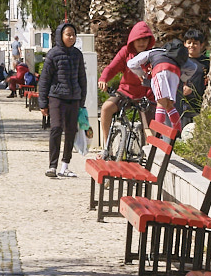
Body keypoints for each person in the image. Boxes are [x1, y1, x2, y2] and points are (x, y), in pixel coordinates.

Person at [37, 22, 88, 177]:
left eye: (73, 35)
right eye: (68, 34)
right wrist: (43, 103)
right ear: (61, 36)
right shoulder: (53, 54)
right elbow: (44, 80)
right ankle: (52, 166)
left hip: (74, 99)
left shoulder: (78, 55)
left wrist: (82, 100)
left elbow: (82, 78)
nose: (71, 37)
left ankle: (65, 166)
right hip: (57, 98)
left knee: (71, 131)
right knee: (56, 128)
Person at [97, 20, 155, 150]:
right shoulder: (125, 52)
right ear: (132, 40)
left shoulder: (153, 55)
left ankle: (149, 154)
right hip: (125, 93)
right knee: (106, 108)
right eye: (138, 39)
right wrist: (103, 79)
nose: (141, 43)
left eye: (145, 39)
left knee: (149, 128)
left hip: (146, 96)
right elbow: (111, 68)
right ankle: (106, 146)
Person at [126, 36, 186, 122]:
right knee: (169, 104)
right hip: (175, 73)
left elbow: (131, 64)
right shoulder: (173, 55)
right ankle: (177, 129)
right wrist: (184, 79)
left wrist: (142, 74)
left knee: (161, 102)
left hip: (160, 70)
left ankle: (158, 129)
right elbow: (192, 67)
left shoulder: (150, 52)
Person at [178, 30, 209, 118]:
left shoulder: (207, 62)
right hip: (183, 105)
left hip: (202, 104)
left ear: (201, 45)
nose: (191, 45)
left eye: (195, 43)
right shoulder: (180, 61)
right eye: (189, 43)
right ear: (184, 44)